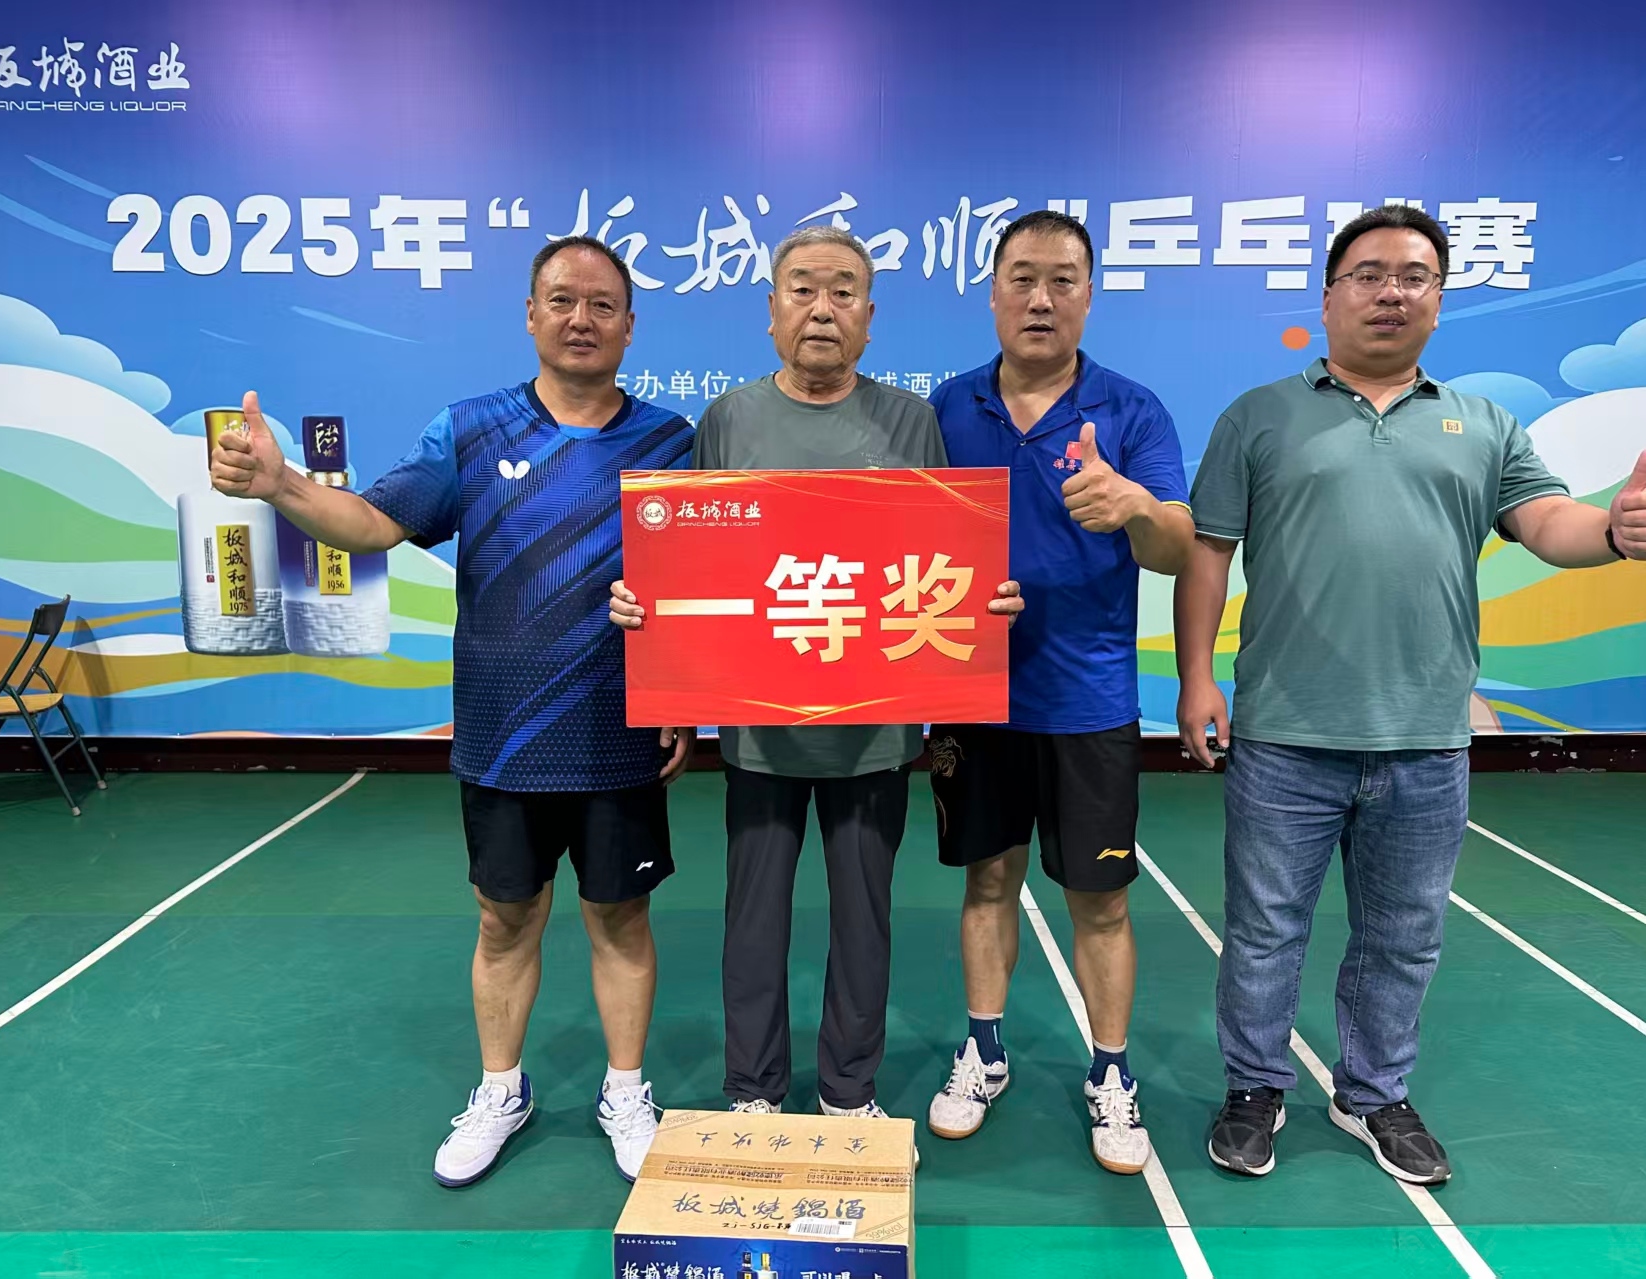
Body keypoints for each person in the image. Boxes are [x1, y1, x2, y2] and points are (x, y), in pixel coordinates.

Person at [1174, 204, 1646, 1185]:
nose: (1390, 291)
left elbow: (1548, 524)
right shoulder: (1258, 416)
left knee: (1403, 936)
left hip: (1426, 739)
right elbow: (1207, 553)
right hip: (1285, 733)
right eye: (1367, 274)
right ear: (1328, 296)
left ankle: (1373, 1092)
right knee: (1263, 931)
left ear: (1438, 302)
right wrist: (1197, 676)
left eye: (1413, 276)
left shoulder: (1483, 425)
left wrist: (1615, 532)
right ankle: (1253, 1088)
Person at [210, 237, 698, 1187]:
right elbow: (375, 523)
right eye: (563, 300)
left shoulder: (671, 441)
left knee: (621, 918)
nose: (582, 318)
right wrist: (280, 485)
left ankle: (626, 1090)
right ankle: (502, 1089)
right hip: (503, 736)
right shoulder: (471, 430)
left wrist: (683, 695)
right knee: (504, 920)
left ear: (631, 326)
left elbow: (705, 583)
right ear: (531, 314)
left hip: (617, 733)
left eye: (603, 304)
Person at [610, 225, 1023, 1128]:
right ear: (771, 312)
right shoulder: (728, 420)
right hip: (759, 731)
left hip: (874, 731)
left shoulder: (910, 423)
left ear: (870, 316)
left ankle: (849, 1090)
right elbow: (691, 563)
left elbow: (943, 556)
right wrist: (651, 614)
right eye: (802, 289)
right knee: (753, 922)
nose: (822, 309)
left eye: (843, 291)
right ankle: (753, 1089)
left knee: (864, 920)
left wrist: (986, 599)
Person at [922, 210, 1195, 1173]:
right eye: (1023, 278)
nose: (1041, 299)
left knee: (1100, 900)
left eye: (1063, 280)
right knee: (986, 880)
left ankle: (1111, 1072)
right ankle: (984, 1051)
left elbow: (1175, 547)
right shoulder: (947, 408)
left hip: (1088, 701)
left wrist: (1134, 505)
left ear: (1089, 294)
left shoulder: (1132, 410)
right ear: (994, 292)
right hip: (973, 695)